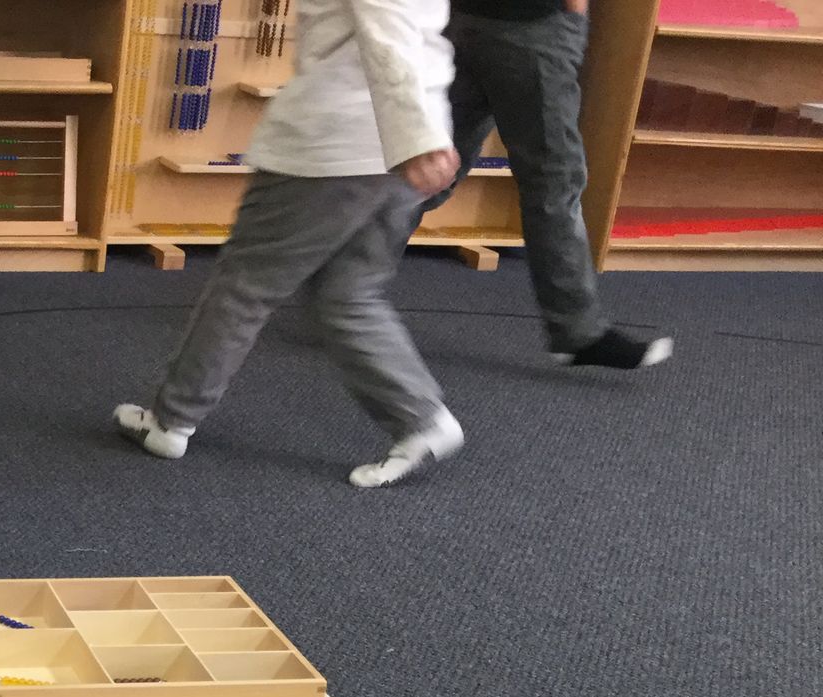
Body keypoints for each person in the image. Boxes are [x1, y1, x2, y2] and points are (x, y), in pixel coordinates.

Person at [115, 0, 465, 488]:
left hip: (339, 143)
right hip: (403, 141)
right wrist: (419, 137)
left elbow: (388, 30)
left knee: (245, 286)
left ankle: (170, 421)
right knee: (349, 294)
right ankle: (422, 420)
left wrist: (415, 138)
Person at [426, 0, 672, 369]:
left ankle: (344, 277)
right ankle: (579, 332)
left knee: (432, 163)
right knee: (553, 180)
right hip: (533, 26)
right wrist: (573, 15)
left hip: (463, 17)